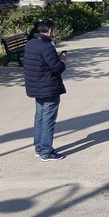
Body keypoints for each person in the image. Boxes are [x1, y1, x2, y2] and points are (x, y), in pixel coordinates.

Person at [23, 19, 67, 162]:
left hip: (35, 86)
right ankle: (46, 152)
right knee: (48, 120)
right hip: (49, 87)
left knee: (40, 118)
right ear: (49, 31)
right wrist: (62, 60)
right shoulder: (47, 46)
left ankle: (39, 148)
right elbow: (57, 67)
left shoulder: (30, 43)